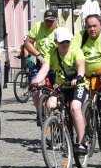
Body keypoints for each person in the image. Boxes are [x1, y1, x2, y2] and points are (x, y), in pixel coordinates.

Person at [31, 27, 88, 155]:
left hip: (77, 85)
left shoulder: (76, 51)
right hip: (60, 85)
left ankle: (82, 142)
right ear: (56, 42)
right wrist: (35, 82)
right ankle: (62, 129)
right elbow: (44, 70)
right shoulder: (52, 53)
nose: (65, 44)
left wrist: (79, 76)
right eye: (62, 42)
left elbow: (81, 65)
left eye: (67, 41)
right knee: (51, 105)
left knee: (75, 108)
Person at [72, 12, 101, 108]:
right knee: (84, 107)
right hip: (85, 75)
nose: (92, 29)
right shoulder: (80, 36)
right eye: (89, 26)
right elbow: (72, 53)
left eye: (94, 26)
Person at [22, 8, 59, 116]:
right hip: (41, 64)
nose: (49, 23)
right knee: (35, 87)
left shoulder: (60, 30)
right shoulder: (38, 27)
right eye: (47, 20)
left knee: (56, 89)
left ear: (57, 20)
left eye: (51, 21)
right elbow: (27, 43)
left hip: (56, 65)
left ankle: (57, 112)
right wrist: (37, 55)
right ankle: (40, 113)